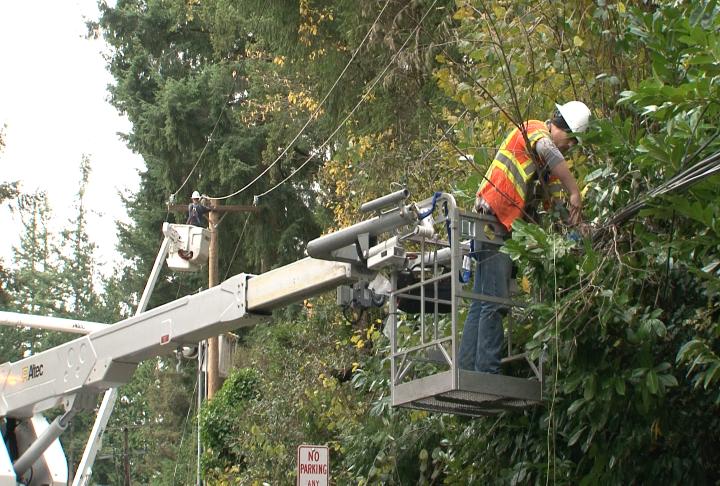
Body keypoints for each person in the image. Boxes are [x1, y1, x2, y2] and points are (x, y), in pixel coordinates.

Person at [459, 101, 591, 374]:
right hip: (494, 221)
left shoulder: (545, 169)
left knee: (484, 299)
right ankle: (487, 374)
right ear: (558, 126)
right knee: (496, 301)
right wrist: (575, 189)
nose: (570, 147)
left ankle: (468, 369)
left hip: (496, 225)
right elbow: (549, 149)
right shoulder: (533, 129)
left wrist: (578, 228)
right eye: (571, 140)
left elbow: (556, 206)